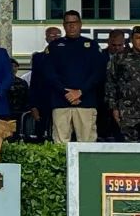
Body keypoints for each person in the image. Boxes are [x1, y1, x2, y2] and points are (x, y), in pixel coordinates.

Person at [41, 11, 102, 144]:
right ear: (64, 25)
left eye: (74, 23)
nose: (71, 26)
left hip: (85, 102)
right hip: (61, 101)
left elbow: (98, 73)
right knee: (60, 143)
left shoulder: (91, 46)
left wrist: (80, 92)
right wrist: (66, 92)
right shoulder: (55, 46)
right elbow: (49, 74)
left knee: (87, 144)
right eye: (68, 23)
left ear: (80, 24)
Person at [105, 26, 140, 141]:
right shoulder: (119, 58)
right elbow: (111, 83)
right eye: (138, 38)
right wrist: (114, 107)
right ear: (132, 40)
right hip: (127, 111)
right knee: (129, 148)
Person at [27, 26, 61, 137]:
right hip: (42, 102)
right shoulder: (39, 57)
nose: (55, 38)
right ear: (46, 38)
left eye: (58, 36)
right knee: (40, 135)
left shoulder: (70, 56)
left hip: (63, 101)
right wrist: (33, 106)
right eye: (52, 36)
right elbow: (34, 83)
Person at [97, 28, 129, 141]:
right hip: (102, 100)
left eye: (120, 45)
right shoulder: (99, 56)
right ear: (108, 42)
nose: (117, 48)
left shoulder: (129, 57)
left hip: (123, 101)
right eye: (113, 45)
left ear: (124, 43)